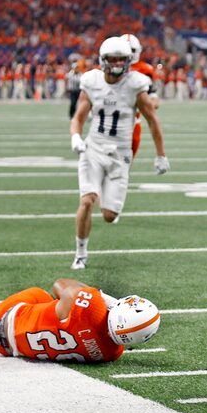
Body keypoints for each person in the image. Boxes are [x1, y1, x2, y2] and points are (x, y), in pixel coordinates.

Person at [69, 37, 169, 270]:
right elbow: (79, 117)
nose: (116, 64)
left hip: (121, 152)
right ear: (103, 60)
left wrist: (160, 154)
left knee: (109, 215)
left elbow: (153, 120)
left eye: (120, 59)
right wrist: (75, 137)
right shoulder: (92, 80)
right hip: (93, 147)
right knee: (86, 201)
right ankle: (81, 253)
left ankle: (104, 194)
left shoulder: (136, 83)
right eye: (112, 59)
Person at [0, 278, 160, 361]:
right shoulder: (112, 353)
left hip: (5, 319)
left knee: (41, 295)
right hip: (14, 350)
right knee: (57, 314)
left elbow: (60, 285)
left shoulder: (92, 305)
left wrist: (98, 295)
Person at [120, 33, 160, 158]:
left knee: (127, 160)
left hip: (133, 120)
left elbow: (153, 96)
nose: (129, 54)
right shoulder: (106, 68)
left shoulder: (145, 69)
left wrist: (148, 104)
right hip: (109, 119)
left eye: (132, 50)